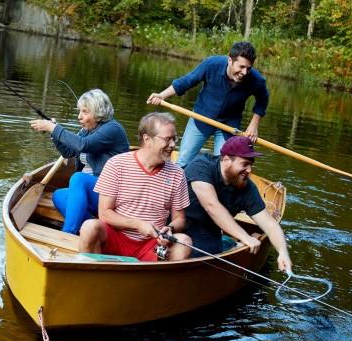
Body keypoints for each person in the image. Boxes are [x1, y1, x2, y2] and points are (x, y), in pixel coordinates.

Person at [78, 112, 192, 261]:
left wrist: (170, 229)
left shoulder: (177, 173)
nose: (172, 145)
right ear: (147, 139)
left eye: (174, 139)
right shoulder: (116, 164)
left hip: (152, 244)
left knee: (184, 242)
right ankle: (89, 274)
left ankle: (156, 281)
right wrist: (137, 224)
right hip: (116, 238)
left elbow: (180, 219)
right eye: (167, 139)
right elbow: (104, 213)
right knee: (89, 227)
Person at [147, 41, 269, 168]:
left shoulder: (256, 80)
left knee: (223, 166)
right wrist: (162, 95)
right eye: (241, 67)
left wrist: (254, 125)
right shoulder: (211, 65)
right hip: (201, 117)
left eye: (248, 68)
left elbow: (262, 100)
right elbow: (186, 81)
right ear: (230, 60)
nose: (244, 72)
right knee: (183, 161)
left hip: (228, 125)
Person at [183, 136, 292, 272]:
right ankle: (233, 244)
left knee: (207, 253)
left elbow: (270, 225)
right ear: (227, 159)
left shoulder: (247, 188)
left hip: (207, 234)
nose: (249, 170)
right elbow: (211, 206)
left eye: (251, 164)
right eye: (245, 164)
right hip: (179, 224)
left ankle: (230, 244)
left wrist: (283, 253)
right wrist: (245, 237)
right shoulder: (202, 165)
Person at [29, 89, 129, 234]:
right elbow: (70, 152)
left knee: (78, 179)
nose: (79, 117)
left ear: (98, 112)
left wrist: (54, 128)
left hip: (112, 194)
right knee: (59, 195)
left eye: (85, 112)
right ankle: (95, 227)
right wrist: (53, 133)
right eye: (79, 111)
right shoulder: (87, 130)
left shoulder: (112, 129)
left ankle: (68, 232)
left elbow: (82, 145)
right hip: (96, 192)